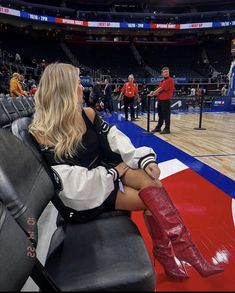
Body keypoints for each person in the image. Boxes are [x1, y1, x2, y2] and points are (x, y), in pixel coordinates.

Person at [29, 63, 223, 280]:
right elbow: (72, 187)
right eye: (77, 84)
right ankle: (171, 254)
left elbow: (116, 140)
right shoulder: (42, 132)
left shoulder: (88, 114)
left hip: (106, 172)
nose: (82, 88)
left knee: (153, 181)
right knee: (151, 198)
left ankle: (181, 250)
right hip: (86, 196)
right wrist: (115, 173)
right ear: (63, 90)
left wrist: (144, 160)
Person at [148, 67, 175, 134]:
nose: (166, 73)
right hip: (160, 100)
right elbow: (158, 89)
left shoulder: (170, 80)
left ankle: (167, 129)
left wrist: (152, 94)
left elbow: (160, 89)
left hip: (166, 101)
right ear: (162, 74)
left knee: (166, 116)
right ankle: (158, 128)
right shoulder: (163, 81)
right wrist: (152, 93)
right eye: (164, 72)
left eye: (167, 72)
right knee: (160, 115)